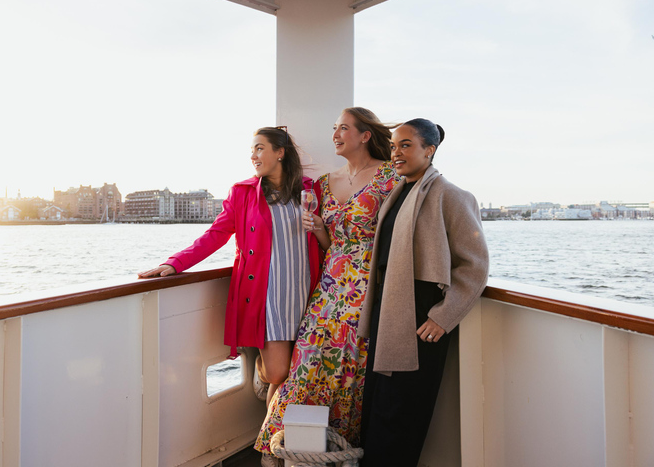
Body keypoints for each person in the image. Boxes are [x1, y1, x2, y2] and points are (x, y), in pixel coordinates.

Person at [138, 127, 322, 407]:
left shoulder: (310, 189)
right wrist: (175, 263)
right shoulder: (243, 193)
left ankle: (276, 445)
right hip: (268, 295)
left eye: (260, 148)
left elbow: (326, 235)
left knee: (301, 372)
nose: (253, 155)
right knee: (278, 372)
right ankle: (263, 379)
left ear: (280, 152)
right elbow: (216, 235)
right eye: (252, 150)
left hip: (304, 290)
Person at [255, 107, 396, 461]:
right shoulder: (322, 183)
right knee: (306, 361)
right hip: (330, 284)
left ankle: (339, 447)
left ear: (365, 135)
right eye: (334, 128)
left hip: (366, 286)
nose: (335, 133)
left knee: (350, 368)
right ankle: (279, 445)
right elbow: (328, 243)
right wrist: (317, 226)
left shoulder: (391, 177)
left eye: (344, 128)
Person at [358, 119, 489, 467]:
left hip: (421, 315)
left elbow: (474, 264)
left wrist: (443, 316)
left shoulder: (452, 195)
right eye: (393, 145)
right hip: (391, 307)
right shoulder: (398, 193)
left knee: (403, 411)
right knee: (379, 404)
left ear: (429, 150)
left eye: (406, 145)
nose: (396, 153)